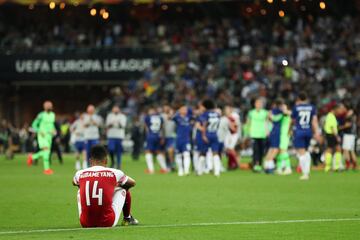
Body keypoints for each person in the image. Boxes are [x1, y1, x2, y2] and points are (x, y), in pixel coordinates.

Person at [73, 145, 138, 228]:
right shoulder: (114, 172)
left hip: (85, 223)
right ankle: (127, 218)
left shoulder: (80, 173)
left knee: (79, 191)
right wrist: (114, 185)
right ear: (106, 161)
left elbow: (74, 182)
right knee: (123, 188)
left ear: (90, 161)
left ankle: (89, 216)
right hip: (107, 222)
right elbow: (132, 183)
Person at [291, 92, 320, 180]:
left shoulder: (296, 108)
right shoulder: (312, 107)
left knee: (301, 152)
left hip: (299, 131)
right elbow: (314, 121)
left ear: (299, 99)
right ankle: (307, 171)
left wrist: (289, 130)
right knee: (306, 151)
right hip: (308, 131)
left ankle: (305, 173)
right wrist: (317, 132)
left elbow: (292, 120)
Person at [27, 101, 56, 175]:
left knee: (47, 152)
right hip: (42, 136)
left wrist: (54, 130)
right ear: (44, 107)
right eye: (48, 106)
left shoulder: (53, 115)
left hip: (49, 136)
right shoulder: (41, 115)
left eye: (50, 105)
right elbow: (34, 125)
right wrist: (39, 131)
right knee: (46, 151)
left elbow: (51, 125)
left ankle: (32, 157)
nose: (49, 107)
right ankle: (47, 169)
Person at [199, 99, 222, 177]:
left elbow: (205, 124)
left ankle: (200, 171)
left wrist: (203, 135)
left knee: (203, 153)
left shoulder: (205, 114)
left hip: (207, 134)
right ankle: (217, 172)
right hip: (215, 134)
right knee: (215, 153)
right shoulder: (217, 114)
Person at [247, 98, 268, 172]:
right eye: (257, 103)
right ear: (255, 104)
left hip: (262, 134)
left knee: (262, 151)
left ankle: (260, 164)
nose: (258, 105)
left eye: (260, 103)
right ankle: (255, 164)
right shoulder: (251, 113)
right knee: (255, 150)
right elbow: (248, 123)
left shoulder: (265, 113)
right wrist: (248, 132)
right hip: (254, 134)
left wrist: (267, 131)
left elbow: (266, 122)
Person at [144, 107, 167, 174]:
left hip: (151, 135)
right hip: (158, 136)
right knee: (158, 152)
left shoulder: (148, 117)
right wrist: (162, 137)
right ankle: (164, 168)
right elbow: (162, 128)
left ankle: (151, 170)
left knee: (148, 152)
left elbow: (146, 128)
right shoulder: (160, 118)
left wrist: (147, 136)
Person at [264, 99, 284, 174]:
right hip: (276, 132)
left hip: (272, 131)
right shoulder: (278, 111)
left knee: (271, 149)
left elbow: (267, 120)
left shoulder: (270, 112)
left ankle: (266, 165)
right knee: (275, 149)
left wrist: (267, 130)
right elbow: (275, 119)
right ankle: (270, 166)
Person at [173, 105, 192, 176]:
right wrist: (178, 111)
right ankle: (180, 169)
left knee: (186, 154)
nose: (185, 110)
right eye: (183, 109)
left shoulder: (189, 117)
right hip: (178, 139)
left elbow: (194, 113)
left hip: (186, 139)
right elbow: (172, 117)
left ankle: (186, 171)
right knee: (178, 155)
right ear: (180, 110)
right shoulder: (177, 117)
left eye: (186, 109)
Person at [324, 105, 342, 172]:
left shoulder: (329, 116)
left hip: (329, 135)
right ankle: (334, 167)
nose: (339, 111)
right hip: (331, 135)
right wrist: (337, 136)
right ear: (334, 109)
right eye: (338, 109)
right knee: (335, 150)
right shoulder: (331, 116)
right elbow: (332, 127)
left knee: (332, 150)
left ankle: (330, 167)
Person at [276, 103, 292, 175]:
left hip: (285, 134)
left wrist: (284, 111)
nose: (282, 108)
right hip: (279, 134)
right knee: (279, 151)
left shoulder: (288, 114)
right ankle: (279, 168)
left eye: (284, 107)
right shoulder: (281, 115)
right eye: (281, 107)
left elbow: (289, 113)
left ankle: (288, 168)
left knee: (283, 150)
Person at [223, 106, 241, 170]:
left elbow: (236, 126)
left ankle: (237, 163)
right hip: (228, 134)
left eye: (227, 109)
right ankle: (231, 164)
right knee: (228, 150)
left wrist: (231, 126)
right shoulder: (225, 117)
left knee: (231, 149)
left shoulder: (234, 115)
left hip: (234, 134)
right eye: (225, 109)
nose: (226, 111)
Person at [341, 105, 357, 170]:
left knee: (346, 150)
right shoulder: (354, 116)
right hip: (352, 135)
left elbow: (347, 125)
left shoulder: (349, 116)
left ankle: (348, 165)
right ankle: (354, 165)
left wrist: (340, 127)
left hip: (348, 135)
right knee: (351, 150)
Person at [163, 105, 176, 170]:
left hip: (172, 137)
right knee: (165, 152)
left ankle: (172, 164)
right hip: (164, 137)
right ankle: (168, 166)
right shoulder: (162, 117)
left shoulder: (175, 118)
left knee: (171, 151)